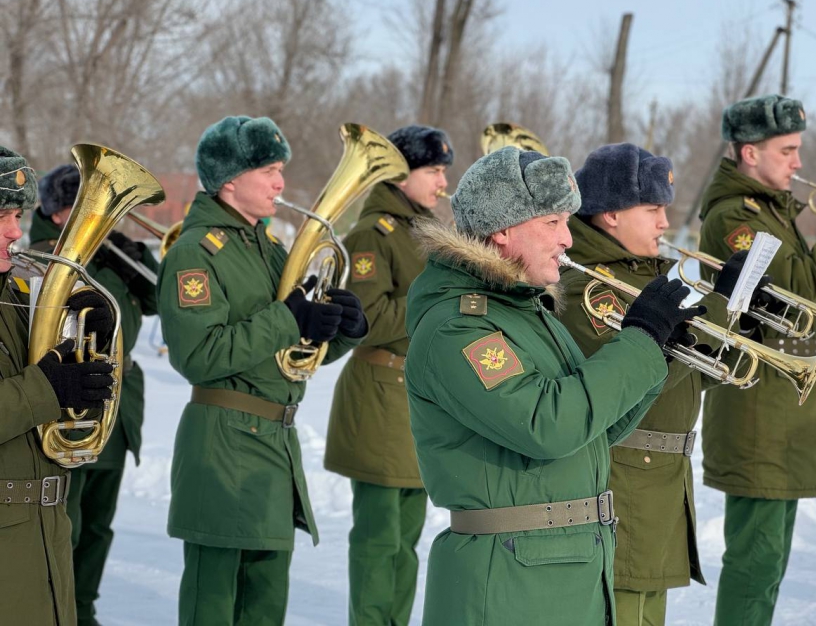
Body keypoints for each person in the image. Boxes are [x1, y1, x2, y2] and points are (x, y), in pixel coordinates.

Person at [404, 146, 706, 625]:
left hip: (560, 574)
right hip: (508, 584)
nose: (568, 239)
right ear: (502, 229)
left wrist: (658, 355)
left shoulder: (525, 313)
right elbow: (549, 424)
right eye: (552, 223)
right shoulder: (459, 328)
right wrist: (639, 340)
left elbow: (595, 432)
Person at [157, 115, 368, 625]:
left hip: (274, 448)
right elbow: (199, 356)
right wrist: (288, 317)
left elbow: (291, 362)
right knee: (214, 608)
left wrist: (340, 331)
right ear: (230, 179)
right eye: (269, 170)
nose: (281, 183)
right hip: (222, 448)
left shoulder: (273, 249)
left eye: (281, 170)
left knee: (264, 609)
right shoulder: (194, 252)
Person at [698, 94, 816, 625]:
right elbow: (800, 291)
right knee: (754, 563)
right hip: (760, 410)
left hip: (782, 410)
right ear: (749, 154)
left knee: (770, 562)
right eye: (787, 151)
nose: (799, 162)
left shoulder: (771, 211)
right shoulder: (735, 216)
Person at [558, 143, 756, 626]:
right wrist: (715, 309)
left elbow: (683, 379)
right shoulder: (593, 286)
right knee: (621, 612)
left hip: (662, 480)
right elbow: (639, 375)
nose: (665, 223)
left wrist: (733, 326)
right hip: (624, 476)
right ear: (609, 216)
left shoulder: (650, 275)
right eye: (652, 210)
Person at [324, 124, 452, 626]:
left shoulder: (426, 231)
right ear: (403, 175)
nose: (444, 183)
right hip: (379, 398)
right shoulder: (371, 234)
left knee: (407, 542)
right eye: (435, 171)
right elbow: (368, 319)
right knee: (379, 539)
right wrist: (438, 306)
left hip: (419, 399)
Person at [31, 163, 159, 626]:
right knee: (68, 521)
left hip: (117, 409)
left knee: (100, 525)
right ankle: (63, 610)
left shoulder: (114, 258)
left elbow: (160, 300)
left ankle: (85, 608)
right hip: (71, 407)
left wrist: (135, 255)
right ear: (62, 213)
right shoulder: (41, 256)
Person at [0, 146, 115, 625]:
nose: (14, 231)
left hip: (47, 530)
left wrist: (84, 335)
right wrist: (48, 386)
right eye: (1, 215)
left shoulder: (22, 294)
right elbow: (40, 388)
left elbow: (60, 390)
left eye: (17, 215)